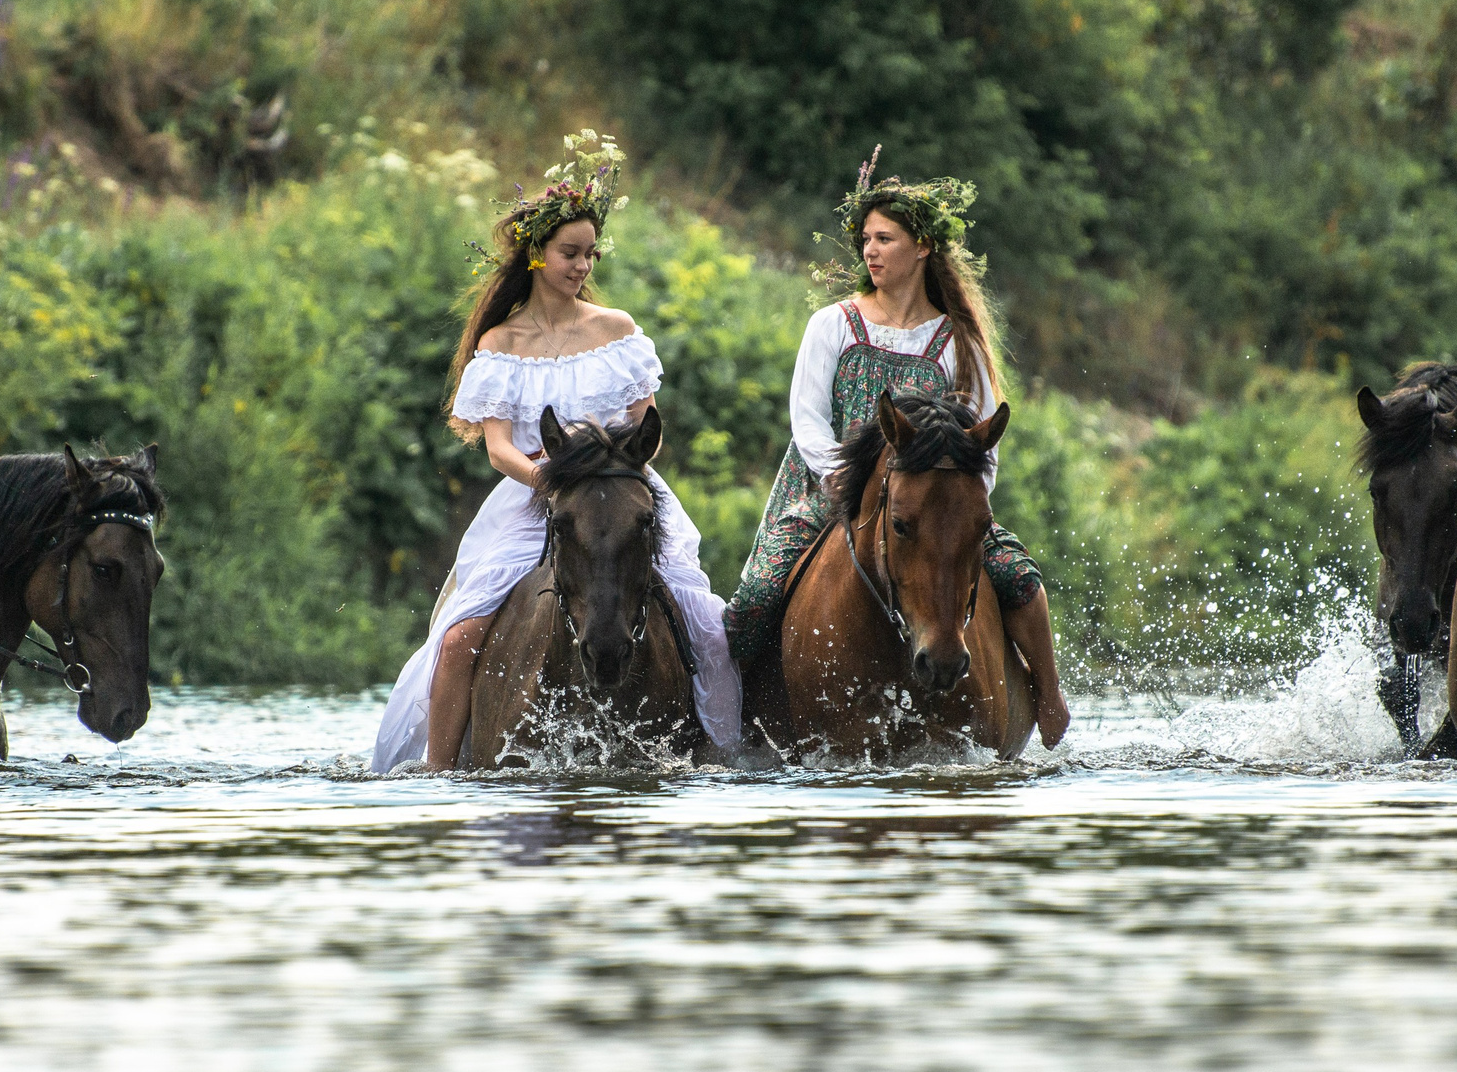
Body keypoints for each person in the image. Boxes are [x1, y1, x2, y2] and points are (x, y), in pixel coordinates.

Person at [370, 133, 741, 772]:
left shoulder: (618, 330)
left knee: (705, 623)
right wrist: (549, 477)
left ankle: (721, 753)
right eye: (570, 253)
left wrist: (616, 470)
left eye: (591, 255)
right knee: (459, 638)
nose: (582, 267)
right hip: (533, 494)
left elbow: (645, 425)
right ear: (537, 255)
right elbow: (497, 448)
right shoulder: (501, 341)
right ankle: (439, 769)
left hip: (622, 488)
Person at [725, 155, 1072, 747]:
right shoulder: (832, 325)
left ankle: (1049, 697)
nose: (870, 251)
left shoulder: (957, 341)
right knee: (754, 601)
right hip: (828, 492)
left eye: (885, 239)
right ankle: (729, 724)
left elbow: (982, 446)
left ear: (922, 249)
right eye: (865, 239)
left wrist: (963, 504)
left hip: (934, 501)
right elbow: (807, 419)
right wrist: (842, 477)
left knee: (1021, 581)